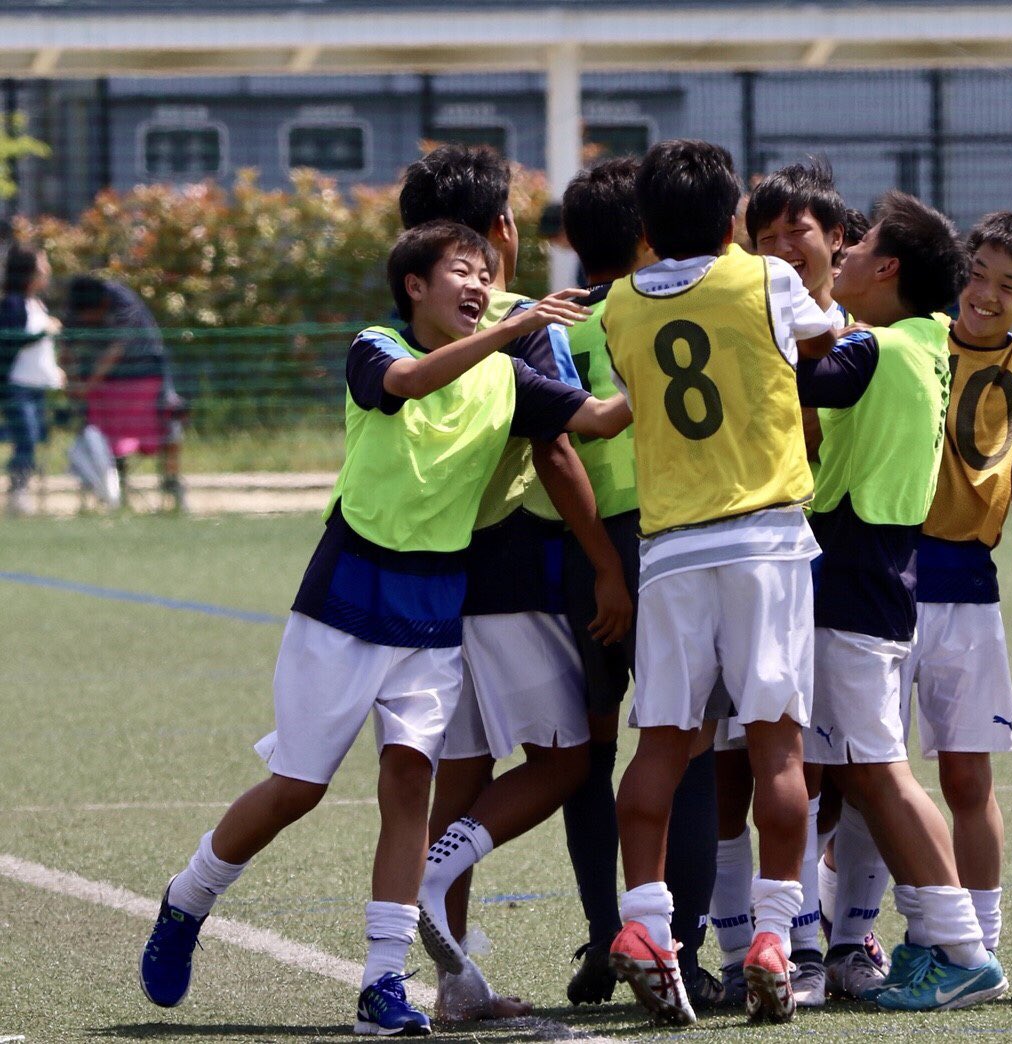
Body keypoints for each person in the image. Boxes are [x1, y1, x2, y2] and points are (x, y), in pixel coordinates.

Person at [136, 220, 629, 1037]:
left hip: (435, 609)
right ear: (414, 286)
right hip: (348, 596)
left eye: (485, 271)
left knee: (409, 784)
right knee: (299, 785)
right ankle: (188, 900)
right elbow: (406, 383)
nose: (478, 284)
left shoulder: (508, 374)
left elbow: (602, 421)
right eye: (460, 271)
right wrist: (510, 328)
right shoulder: (376, 344)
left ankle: (381, 985)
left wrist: (667, 348)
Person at [391, 144, 635, 1020]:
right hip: (518, 568)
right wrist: (605, 562)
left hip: (432, 578)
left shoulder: (403, 325)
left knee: (460, 772)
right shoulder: (518, 318)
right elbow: (561, 441)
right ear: (497, 231)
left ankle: (455, 986)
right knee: (568, 757)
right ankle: (434, 873)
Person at [601, 138, 839, 1026]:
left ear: (647, 227)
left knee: (663, 744)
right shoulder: (766, 280)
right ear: (736, 218)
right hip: (766, 541)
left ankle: (645, 924)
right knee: (777, 744)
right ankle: (776, 933)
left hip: (669, 551)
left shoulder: (620, 306)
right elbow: (828, 333)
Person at [799, 190, 1009, 1012]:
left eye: (854, 250)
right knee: (867, 769)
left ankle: (960, 947)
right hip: (880, 575)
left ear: (887, 268)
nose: (840, 255)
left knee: (881, 773)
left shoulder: (882, 350)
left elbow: (780, 372)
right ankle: (939, 941)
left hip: (856, 575)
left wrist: (780, 288)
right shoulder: (920, 344)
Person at [549, 157, 726, 1012]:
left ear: (570, 243)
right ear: (650, 232)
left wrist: (598, 564)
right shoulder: (666, 309)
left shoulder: (554, 326)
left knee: (592, 756)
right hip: (666, 542)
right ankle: (681, 954)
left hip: (579, 554)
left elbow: (553, 450)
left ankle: (600, 937)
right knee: (685, 752)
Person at [703, 160, 853, 1011]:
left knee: (836, 763)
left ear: (839, 237)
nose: (783, 246)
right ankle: (748, 944)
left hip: (844, 558)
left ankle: (832, 929)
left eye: (799, 230)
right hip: (765, 550)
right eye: (765, 236)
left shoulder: (868, 329)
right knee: (742, 761)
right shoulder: (746, 312)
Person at [65, 274, 186, 511]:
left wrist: (86, 386)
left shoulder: (122, 301)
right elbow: (67, 349)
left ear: (101, 305)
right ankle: (116, 483)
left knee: (172, 414)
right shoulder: (77, 307)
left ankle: (171, 483)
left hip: (148, 376)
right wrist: (72, 380)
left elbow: (116, 349)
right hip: (107, 397)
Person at [2, 247, 65, 516]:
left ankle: (21, 490)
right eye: (42, 265)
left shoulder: (36, 304)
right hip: (16, 385)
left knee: (30, 437)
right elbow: (7, 340)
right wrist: (43, 333)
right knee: (25, 436)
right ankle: (18, 493)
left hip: (37, 387)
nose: (47, 270)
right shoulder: (12, 304)